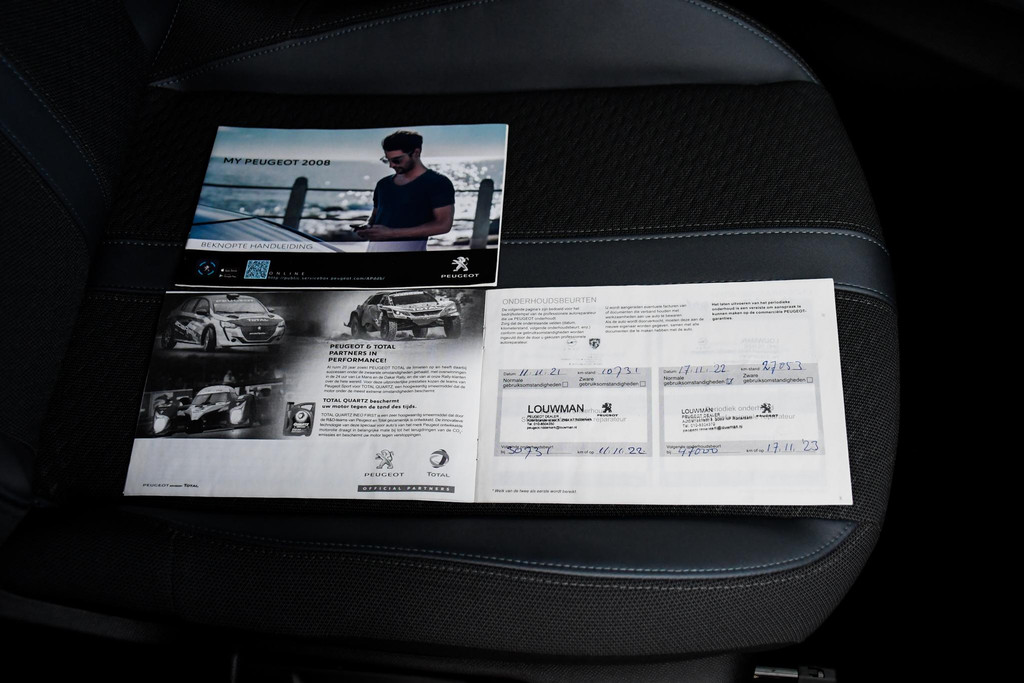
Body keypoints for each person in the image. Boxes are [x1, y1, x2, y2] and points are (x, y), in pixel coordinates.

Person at [357, 130, 455, 252]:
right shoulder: (383, 184)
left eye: (397, 160)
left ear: (416, 153)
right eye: (387, 160)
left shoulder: (437, 183)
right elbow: (375, 217)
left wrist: (391, 233)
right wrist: (367, 228)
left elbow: (443, 225)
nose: (391, 165)